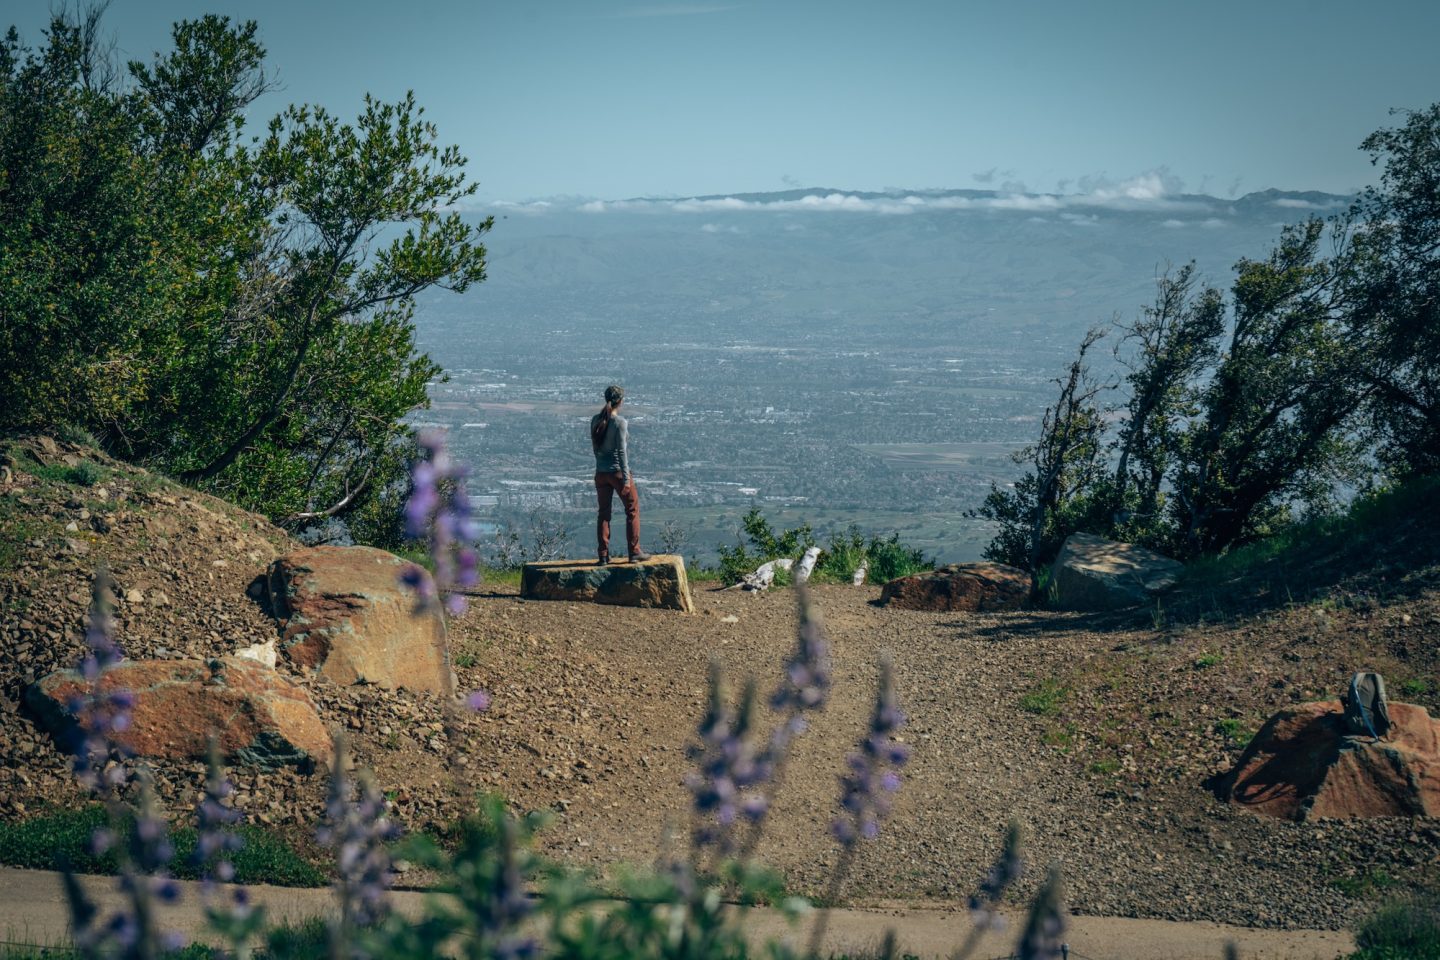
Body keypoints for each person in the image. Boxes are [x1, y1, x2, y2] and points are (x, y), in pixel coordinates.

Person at [590, 384, 650, 564]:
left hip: (600, 472)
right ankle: (634, 552)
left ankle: (603, 555)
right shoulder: (620, 423)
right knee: (632, 509)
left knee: (604, 513)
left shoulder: (595, 420)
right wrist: (625, 478)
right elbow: (622, 452)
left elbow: (595, 447)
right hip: (617, 472)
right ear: (620, 401)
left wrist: (601, 465)